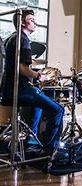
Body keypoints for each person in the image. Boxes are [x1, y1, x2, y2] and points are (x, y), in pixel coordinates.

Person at [1, 9, 64, 158]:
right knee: (58, 110)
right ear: (23, 22)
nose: (35, 23)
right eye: (31, 20)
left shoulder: (10, 38)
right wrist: (38, 76)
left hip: (6, 90)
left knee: (37, 104)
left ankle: (30, 142)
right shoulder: (22, 39)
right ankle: (49, 151)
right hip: (19, 90)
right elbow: (22, 68)